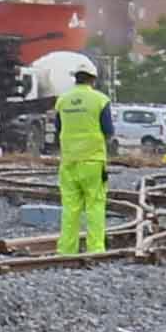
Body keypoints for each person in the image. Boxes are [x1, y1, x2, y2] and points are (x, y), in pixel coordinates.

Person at [39, 48, 115, 259]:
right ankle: (96, 249)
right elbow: (109, 131)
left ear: (76, 79)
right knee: (94, 206)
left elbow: (58, 129)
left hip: (69, 161)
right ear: (93, 80)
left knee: (70, 208)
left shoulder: (62, 100)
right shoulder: (100, 100)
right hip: (92, 161)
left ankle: (66, 250)